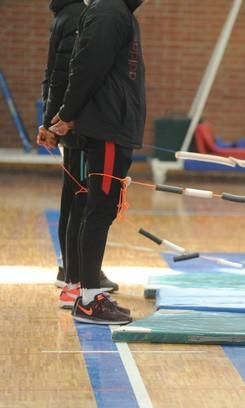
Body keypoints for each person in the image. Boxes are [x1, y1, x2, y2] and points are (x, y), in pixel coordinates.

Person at [49, 0, 147, 325]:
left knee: (100, 208)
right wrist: (66, 114)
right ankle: (89, 298)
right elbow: (85, 66)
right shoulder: (108, 12)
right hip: (106, 126)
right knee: (97, 208)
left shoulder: (118, 13)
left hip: (114, 126)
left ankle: (88, 293)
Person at [36, 0, 120, 311]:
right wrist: (56, 123)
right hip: (77, 128)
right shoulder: (76, 16)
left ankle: (74, 274)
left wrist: (51, 121)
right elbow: (66, 75)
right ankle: (74, 279)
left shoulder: (70, 14)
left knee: (74, 199)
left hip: (70, 124)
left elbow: (56, 74)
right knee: (80, 201)